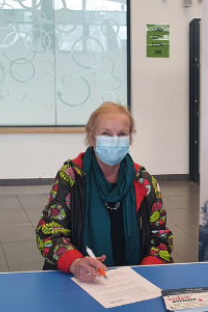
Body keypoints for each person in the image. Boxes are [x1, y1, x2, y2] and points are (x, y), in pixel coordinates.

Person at [36, 102, 173, 282]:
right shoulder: (71, 177)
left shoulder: (145, 182)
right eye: (106, 134)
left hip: (133, 284)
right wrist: (76, 263)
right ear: (92, 138)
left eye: (122, 134)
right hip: (80, 281)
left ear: (130, 139)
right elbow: (48, 233)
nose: (115, 140)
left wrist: (145, 274)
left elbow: (160, 236)